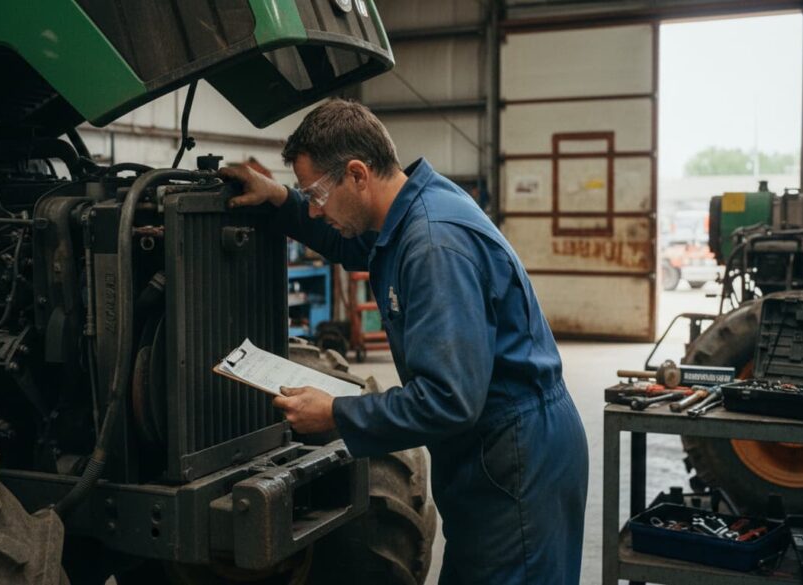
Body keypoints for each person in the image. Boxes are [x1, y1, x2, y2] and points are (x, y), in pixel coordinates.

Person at [220, 99, 588, 585]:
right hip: (493, 448)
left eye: (316, 193)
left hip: (515, 456)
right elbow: (349, 242)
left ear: (357, 174)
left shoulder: (433, 244)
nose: (314, 208)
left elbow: (448, 401)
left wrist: (336, 413)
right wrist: (280, 200)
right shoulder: (413, 206)